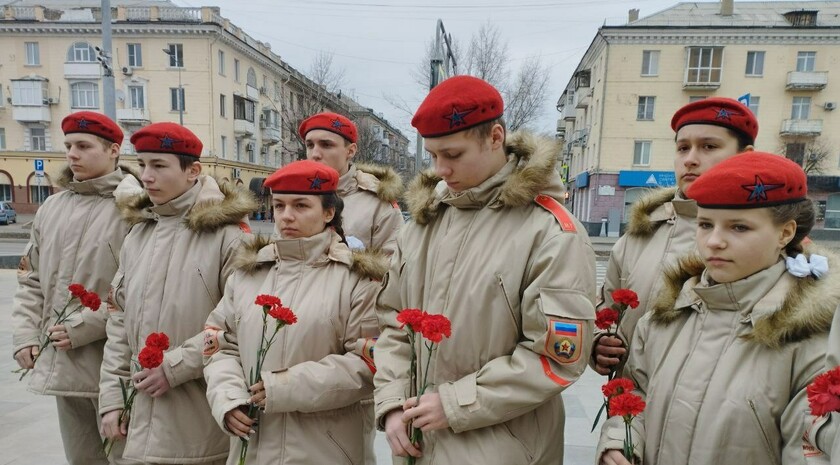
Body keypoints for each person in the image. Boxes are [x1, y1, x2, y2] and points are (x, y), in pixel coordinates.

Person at [373, 75, 596, 465]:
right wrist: (391, 403)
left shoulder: (550, 232)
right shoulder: (422, 225)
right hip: (418, 441)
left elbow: (557, 357)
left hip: (504, 446)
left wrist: (456, 403)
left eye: (453, 155)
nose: (440, 168)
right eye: (432, 155)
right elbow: (394, 323)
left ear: (495, 137)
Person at [597, 152, 837, 465]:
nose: (714, 242)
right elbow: (637, 392)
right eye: (705, 224)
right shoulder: (668, 314)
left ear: (785, 233)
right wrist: (621, 441)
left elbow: (809, 451)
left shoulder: (811, 335)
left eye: (738, 228)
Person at [203, 160, 386, 465]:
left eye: (301, 205)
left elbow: (369, 361)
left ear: (329, 212)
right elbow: (217, 342)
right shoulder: (249, 274)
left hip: (326, 448)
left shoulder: (357, 278)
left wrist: (283, 386)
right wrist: (228, 398)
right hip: (254, 446)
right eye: (279, 205)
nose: (287, 216)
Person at [99, 122, 256, 464]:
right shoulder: (139, 234)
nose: (147, 177)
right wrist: (112, 396)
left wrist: (175, 367)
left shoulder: (229, 237)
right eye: (142, 165)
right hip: (135, 416)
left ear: (193, 171)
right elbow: (119, 320)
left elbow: (239, 325)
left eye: (159, 166)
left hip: (197, 416)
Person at [592, 97, 758, 377]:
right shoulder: (640, 234)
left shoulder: (763, 240)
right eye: (683, 148)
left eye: (708, 146)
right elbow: (605, 310)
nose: (691, 159)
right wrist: (598, 343)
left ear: (745, 155)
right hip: (630, 412)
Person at [12, 111, 134, 465]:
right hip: (64, 363)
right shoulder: (52, 206)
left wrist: (84, 326)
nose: (72, 154)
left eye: (83, 146)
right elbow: (31, 277)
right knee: (82, 457)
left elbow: (141, 290)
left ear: (113, 150)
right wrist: (24, 334)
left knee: (125, 456)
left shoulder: (132, 207)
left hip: (113, 362)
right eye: (68, 146)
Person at [300, 111, 403, 254]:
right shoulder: (293, 195)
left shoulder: (378, 203)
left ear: (350, 151)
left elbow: (392, 267)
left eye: (326, 145)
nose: (315, 154)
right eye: (310, 145)